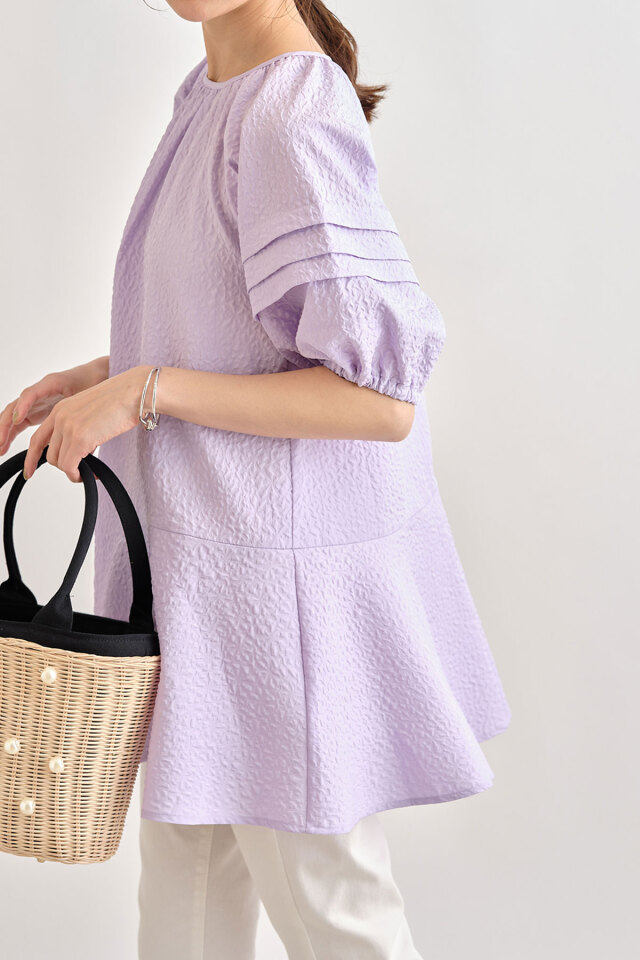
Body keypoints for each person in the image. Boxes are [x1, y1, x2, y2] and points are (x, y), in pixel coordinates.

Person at [0, 1, 512, 957]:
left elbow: (377, 398)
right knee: (186, 919)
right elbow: (239, 336)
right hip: (207, 595)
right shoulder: (215, 93)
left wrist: (143, 392)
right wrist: (101, 377)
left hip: (275, 612)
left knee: (335, 918)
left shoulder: (288, 111)